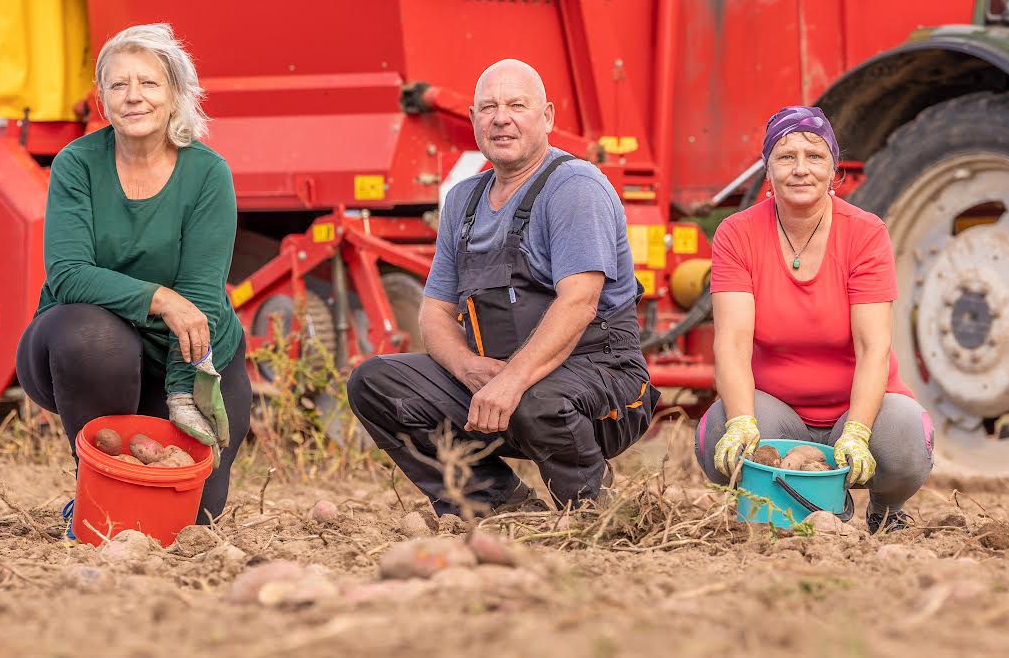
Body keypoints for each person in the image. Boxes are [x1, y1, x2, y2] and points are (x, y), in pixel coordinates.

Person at [348, 59, 656, 516]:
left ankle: (598, 513)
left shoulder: (574, 186)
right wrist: (469, 368)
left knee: (538, 401)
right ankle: (500, 508)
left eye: (517, 105)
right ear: (473, 120)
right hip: (498, 381)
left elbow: (579, 301)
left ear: (547, 116)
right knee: (375, 383)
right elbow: (434, 313)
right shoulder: (462, 201)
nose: (501, 117)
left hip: (603, 378)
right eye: (488, 107)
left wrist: (511, 381)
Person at [14, 22, 250, 537]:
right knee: (94, 337)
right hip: (89, 352)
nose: (133, 96)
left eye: (148, 83)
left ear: (175, 95)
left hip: (193, 355)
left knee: (192, 519)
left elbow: (203, 297)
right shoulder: (77, 163)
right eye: (118, 85)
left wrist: (182, 393)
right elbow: (69, 274)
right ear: (102, 98)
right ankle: (94, 491)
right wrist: (160, 299)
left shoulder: (208, 173)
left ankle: (140, 462)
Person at [693, 106, 933, 533]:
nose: (800, 169)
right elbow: (731, 342)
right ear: (768, 169)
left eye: (814, 156)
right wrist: (742, 423)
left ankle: (884, 508)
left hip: (857, 407)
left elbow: (873, 347)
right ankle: (802, 506)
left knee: (902, 443)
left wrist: (857, 432)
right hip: (778, 409)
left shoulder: (865, 232)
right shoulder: (736, 233)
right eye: (786, 157)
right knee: (718, 435)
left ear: (834, 169)